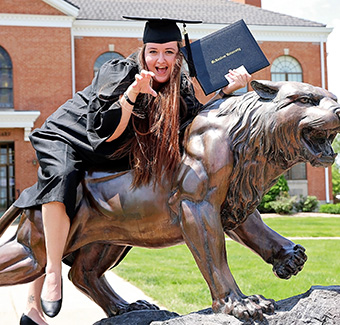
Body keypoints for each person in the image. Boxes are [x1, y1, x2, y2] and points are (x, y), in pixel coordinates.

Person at [15, 17, 251, 325]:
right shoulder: (121, 72)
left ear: (178, 54)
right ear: (143, 51)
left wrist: (228, 93)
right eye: (153, 51)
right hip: (72, 135)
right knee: (61, 180)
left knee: (89, 209)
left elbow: (192, 127)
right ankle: (53, 275)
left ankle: (32, 311)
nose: (160, 60)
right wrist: (131, 95)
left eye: (169, 52)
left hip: (111, 151)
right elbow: (105, 132)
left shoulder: (178, 88)